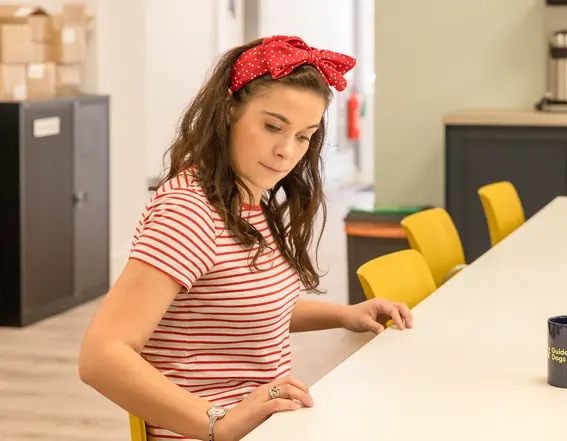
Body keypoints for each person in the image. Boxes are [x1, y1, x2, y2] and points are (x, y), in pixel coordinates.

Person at [78, 35, 413, 441]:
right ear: (229, 112)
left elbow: (238, 308)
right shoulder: (189, 212)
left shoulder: (248, 201)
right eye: (273, 126)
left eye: (304, 136)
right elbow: (101, 356)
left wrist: (342, 314)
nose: (286, 152)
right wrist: (217, 422)